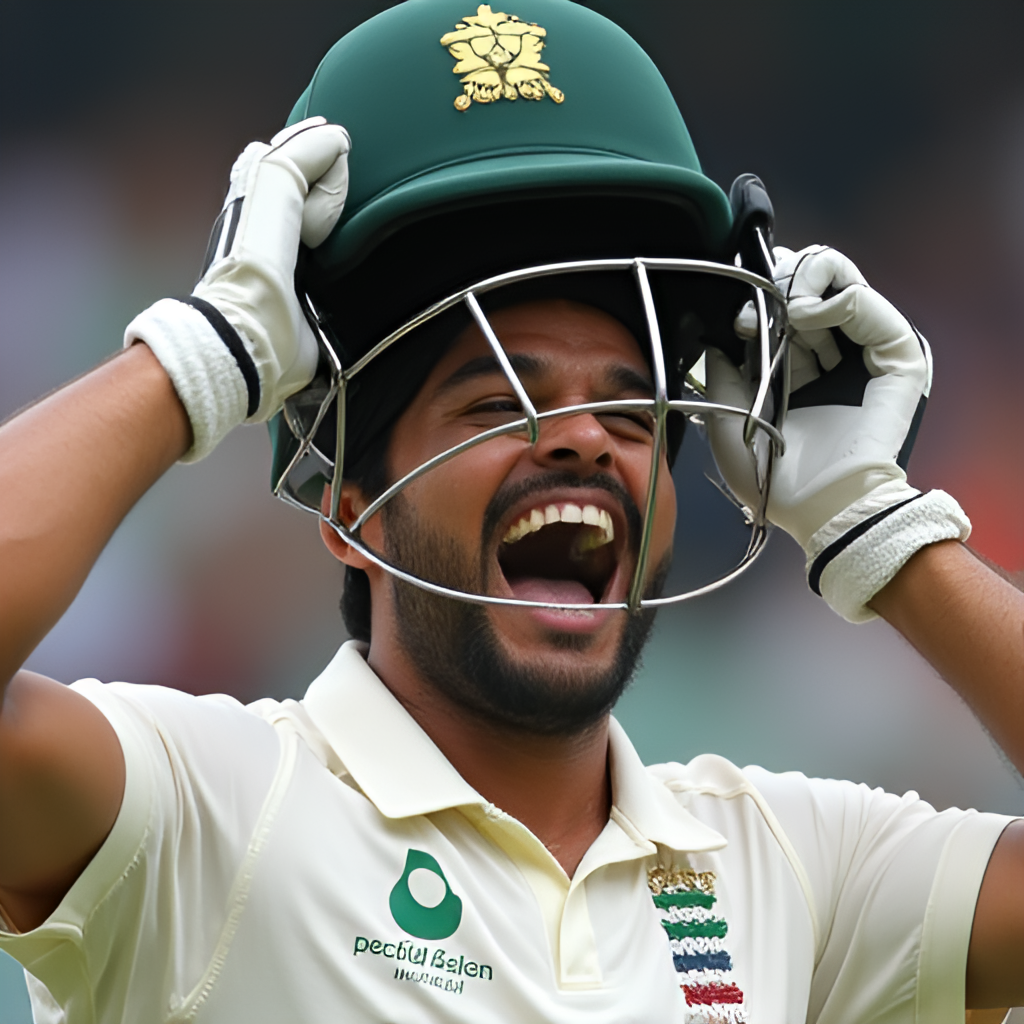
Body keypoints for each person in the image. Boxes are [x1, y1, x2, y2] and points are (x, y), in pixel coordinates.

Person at [0, 1, 1022, 1021]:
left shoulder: (792, 870)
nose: (582, 439)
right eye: (498, 402)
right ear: (352, 510)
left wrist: (876, 527)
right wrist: (199, 355)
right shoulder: (209, 807)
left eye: (630, 410)